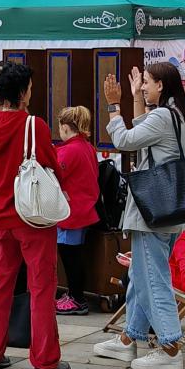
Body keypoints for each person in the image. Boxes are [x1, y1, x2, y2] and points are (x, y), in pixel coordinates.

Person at [93, 61, 185, 369]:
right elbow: (143, 132)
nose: (143, 87)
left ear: (161, 85)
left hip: (151, 211)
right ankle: (129, 338)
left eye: (147, 83)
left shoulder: (164, 116)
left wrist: (113, 106)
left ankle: (170, 348)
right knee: (142, 275)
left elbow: (126, 140)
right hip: (171, 209)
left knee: (153, 279)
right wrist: (137, 97)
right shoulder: (180, 116)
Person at [0, 60, 66, 369]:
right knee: (41, 286)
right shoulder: (34, 125)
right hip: (32, 215)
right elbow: (50, 163)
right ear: (23, 92)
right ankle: (44, 359)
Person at [53, 106, 101, 316]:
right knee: (74, 255)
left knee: (70, 256)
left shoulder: (69, 150)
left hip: (71, 211)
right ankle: (75, 295)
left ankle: (77, 298)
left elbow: (56, 173)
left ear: (65, 127)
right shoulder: (86, 147)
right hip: (83, 208)